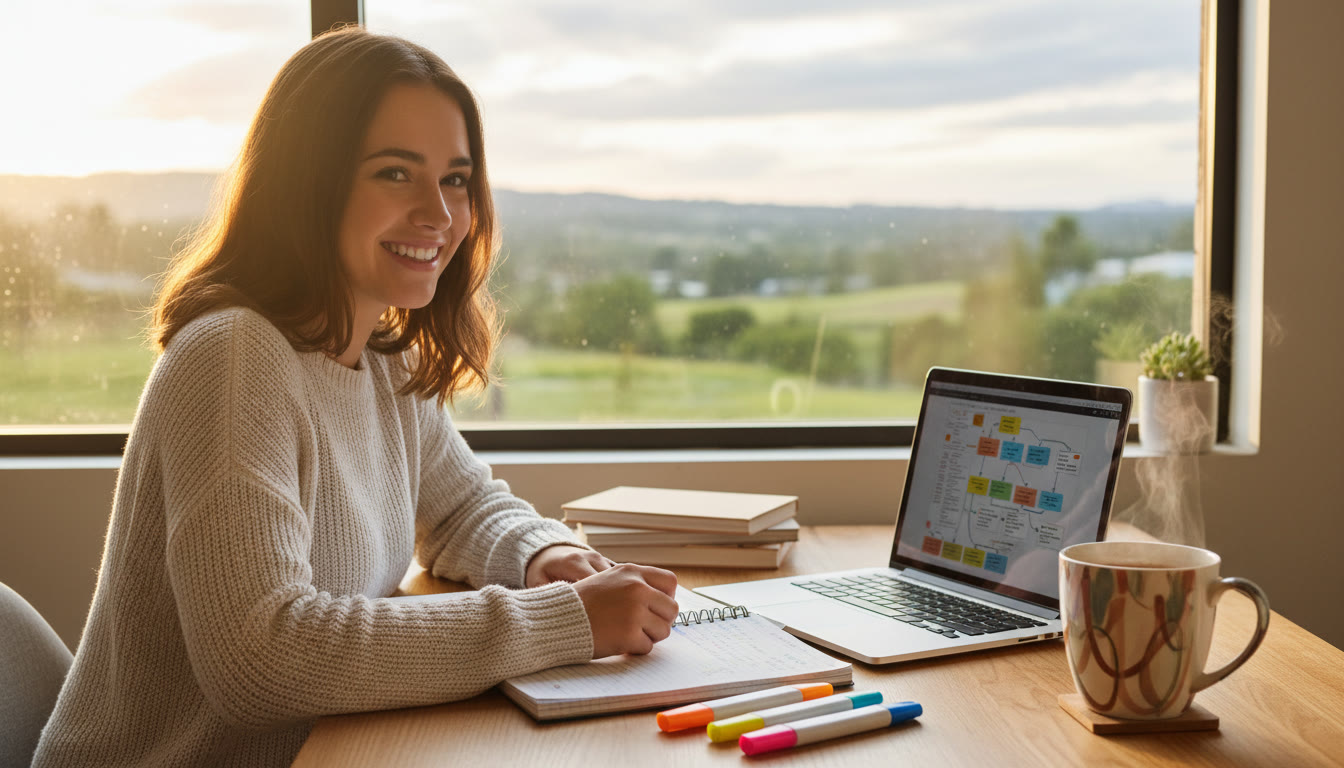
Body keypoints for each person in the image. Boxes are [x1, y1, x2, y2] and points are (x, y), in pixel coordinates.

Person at [34, 27, 679, 767]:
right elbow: (263, 655)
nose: (439, 213)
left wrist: (548, 556)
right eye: (395, 174)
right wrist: (561, 623)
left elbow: (464, 507)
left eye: (457, 179)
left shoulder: (379, 353)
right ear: (309, 183)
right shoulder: (234, 358)